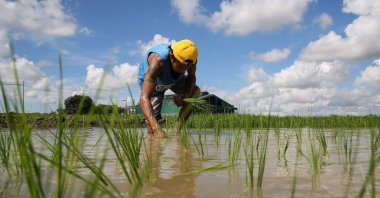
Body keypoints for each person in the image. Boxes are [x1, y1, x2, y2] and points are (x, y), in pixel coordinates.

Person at [138, 39, 200, 138]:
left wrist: (186, 95)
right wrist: (157, 129)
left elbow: (191, 77)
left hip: (175, 80)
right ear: (171, 55)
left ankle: (176, 132)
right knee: (152, 128)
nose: (183, 71)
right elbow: (144, 98)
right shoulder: (158, 61)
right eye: (180, 67)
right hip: (155, 82)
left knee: (195, 91)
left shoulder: (191, 60)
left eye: (186, 68)